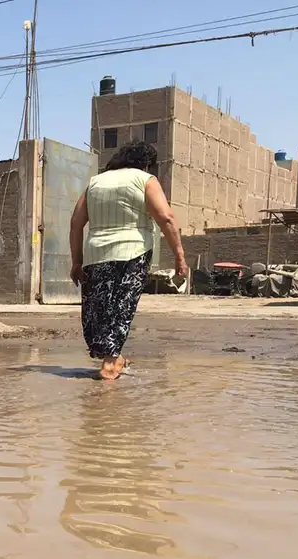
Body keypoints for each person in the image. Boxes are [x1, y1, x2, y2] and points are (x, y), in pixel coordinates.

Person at [69, 140, 188, 380]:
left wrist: (76, 262)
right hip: (132, 253)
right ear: (146, 164)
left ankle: (113, 357)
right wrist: (179, 256)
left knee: (98, 309)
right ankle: (110, 365)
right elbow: (165, 218)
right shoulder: (144, 180)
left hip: (95, 254)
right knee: (122, 306)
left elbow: (76, 223)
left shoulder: (96, 182)